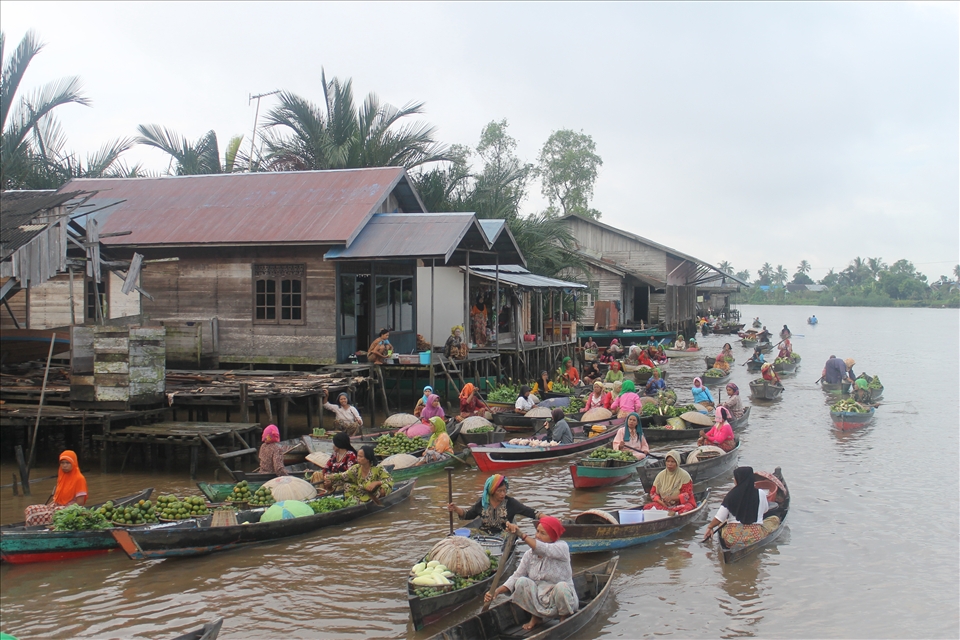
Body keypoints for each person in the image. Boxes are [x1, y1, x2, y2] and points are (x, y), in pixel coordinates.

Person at [485, 517, 578, 631]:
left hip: (561, 599)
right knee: (522, 582)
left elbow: (544, 549)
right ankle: (536, 617)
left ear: (552, 537)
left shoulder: (561, 548)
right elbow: (516, 575)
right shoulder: (529, 554)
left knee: (561, 587)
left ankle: (564, 617)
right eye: (537, 531)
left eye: (542, 533)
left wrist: (520, 534)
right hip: (539, 599)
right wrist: (497, 591)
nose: (538, 536)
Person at [702, 466, 781, 546]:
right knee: (774, 519)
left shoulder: (731, 495)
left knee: (721, 524)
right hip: (753, 537)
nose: (734, 480)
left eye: (735, 478)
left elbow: (719, 518)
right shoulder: (761, 493)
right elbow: (765, 510)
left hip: (731, 538)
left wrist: (710, 527)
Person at [447, 474, 544, 534]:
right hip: (484, 534)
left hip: (503, 535)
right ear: (492, 491)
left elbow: (530, 512)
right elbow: (467, 514)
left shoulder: (510, 503)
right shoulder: (483, 502)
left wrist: (548, 519)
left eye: (504, 490)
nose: (503, 494)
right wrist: (455, 508)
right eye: (499, 491)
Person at [23, 450, 88, 526]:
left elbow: (80, 502)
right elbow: (57, 498)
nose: (64, 465)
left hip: (71, 508)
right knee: (30, 509)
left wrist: (66, 509)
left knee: (54, 512)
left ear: (73, 463)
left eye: (67, 463)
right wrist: (47, 507)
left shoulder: (79, 478)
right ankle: (29, 527)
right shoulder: (62, 475)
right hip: (56, 505)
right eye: (62, 463)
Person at [324, 445, 393, 504]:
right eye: (358, 456)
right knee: (347, 485)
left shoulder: (378, 468)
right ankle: (354, 503)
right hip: (361, 492)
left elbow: (389, 480)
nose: (358, 459)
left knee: (383, 489)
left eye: (361, 457)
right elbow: (343, 476)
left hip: (374, 493)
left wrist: (377, 483)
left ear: (368, 458)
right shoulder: (356, 468)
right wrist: (330, 478)